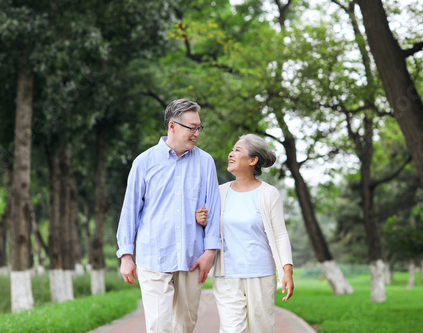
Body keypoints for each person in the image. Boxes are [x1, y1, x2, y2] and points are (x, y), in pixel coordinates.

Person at [116, 99, 221, 333]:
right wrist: (125, 254)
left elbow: (213, 209)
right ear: (172, 126)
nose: (196, 133)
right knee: (159, 326)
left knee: (184, 325)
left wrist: (210, 251)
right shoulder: (144, 162)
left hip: (192, 256)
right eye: (191, 127)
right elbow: (130, 210)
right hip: (153, 255)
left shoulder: (205, 162)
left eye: (198, 128)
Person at [196, 133, 294, 333]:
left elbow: (280, 235)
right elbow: (212, 230)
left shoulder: (268, 194)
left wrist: (287, 270)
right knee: (232, 330)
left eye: (237, 150)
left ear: (253, 160)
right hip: (227, 276)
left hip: (260, 274)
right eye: (232, 150)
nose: (231, 154)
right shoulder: (219, 192)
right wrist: (202, 221)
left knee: (261, 329)